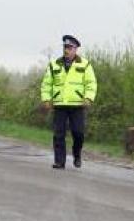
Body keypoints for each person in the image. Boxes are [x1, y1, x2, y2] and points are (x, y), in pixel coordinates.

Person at [40, 35, 98, 169]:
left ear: (75, 49)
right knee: (58, 133)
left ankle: (77, 154)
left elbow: (91, 83)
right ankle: (59, 161)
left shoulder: (85, 64)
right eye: (65, 47)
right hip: (60, 104)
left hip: (77, 104)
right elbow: (46, 83)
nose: (66, 50)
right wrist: (46, 99)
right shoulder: (54, 64)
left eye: (70, 47)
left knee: (78, 133)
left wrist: (88, 98)